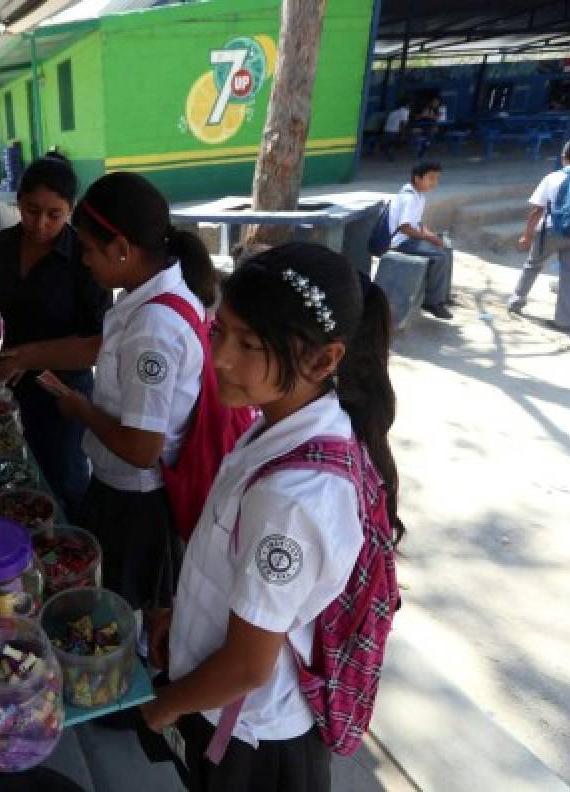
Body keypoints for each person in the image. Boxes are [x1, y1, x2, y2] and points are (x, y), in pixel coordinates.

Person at [139, 242, 402, 792]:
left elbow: (246, 666)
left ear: (325, 359)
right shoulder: (280, 426)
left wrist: (161, 709)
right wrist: (183, 618)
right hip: (232, 713)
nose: (222, 358)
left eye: (250, 344)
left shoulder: (293, 498)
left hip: (252, 745)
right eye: (220, 332)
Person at [38, 172, 219, 611]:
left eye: (89, 249)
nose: (84, 260)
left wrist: (81, 409)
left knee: (121, 614)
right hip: (131, 492)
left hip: (137, 501)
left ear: (122, 249)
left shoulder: (152, 330)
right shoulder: (160, 294)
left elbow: (141, 447)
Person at [0, 154, 112, 521]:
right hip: (6, 382)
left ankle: (73, 552)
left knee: (65, 481)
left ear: (70, 211)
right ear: (18, 201)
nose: (39, 223)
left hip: (63, 392)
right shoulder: (1, 247)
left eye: (53, 214)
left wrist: (31, 357)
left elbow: (97, 343)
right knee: (13, 475)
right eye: (31, 209)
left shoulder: (84, 260)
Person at [509, 137, 570, 331]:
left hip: (552, 231)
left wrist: (527, 236)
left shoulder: (554, 178)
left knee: (532, 265)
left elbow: (537, 211)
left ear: (565, 156)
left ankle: (516, 302)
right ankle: (564, 321)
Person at [388, 161, 455, 319]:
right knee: (440, 257)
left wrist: (432, 236)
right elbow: (405, 228)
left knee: (446, 247)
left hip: (409, 237)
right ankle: (432, 302)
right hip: (400, 241)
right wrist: (429, 237)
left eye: (437, 179)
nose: (434, 183)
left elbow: (417, 223)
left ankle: (443, 295)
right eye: (430, 178)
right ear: (417, 178)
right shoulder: (409, 197)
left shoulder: (418, 195)